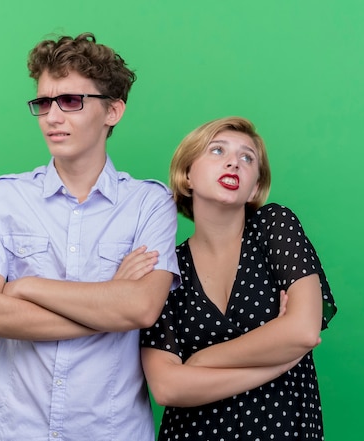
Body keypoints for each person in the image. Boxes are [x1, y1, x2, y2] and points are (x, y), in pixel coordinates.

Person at [0, 32, 180, 441]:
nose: (53, 117)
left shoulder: (150, 203)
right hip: (11, 430)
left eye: (71, 101)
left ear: (113, 111)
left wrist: (27, 287)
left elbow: (141, 310)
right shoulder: (2, 197)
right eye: (43, 103)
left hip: (109, 431)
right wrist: (109, 301)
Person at [140, 116, 338, 440]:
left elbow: (303, 331)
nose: (234, 162)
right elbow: (167, 387)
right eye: (217, 151)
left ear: (255, 187)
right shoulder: (166, 266)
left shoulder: (275, 226)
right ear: (187, 174)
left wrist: (202, 360)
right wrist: (279, 360)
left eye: (248, 158)